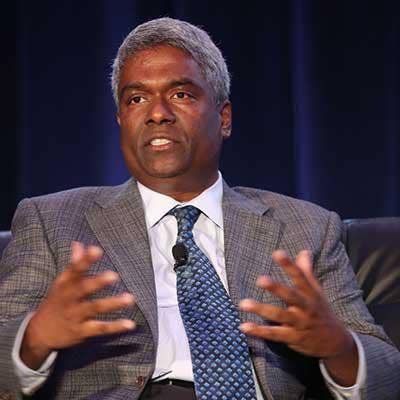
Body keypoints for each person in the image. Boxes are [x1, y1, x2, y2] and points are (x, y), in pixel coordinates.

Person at [0, 17, 399, 400]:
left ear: (224, 118)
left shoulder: (306, 227)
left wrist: (338, 347)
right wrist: (33, 339)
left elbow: (388, 378)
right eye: (136, 99)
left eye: (181, 95)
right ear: (121, 120)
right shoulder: (53, 221)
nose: (157, 113)